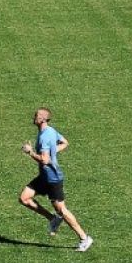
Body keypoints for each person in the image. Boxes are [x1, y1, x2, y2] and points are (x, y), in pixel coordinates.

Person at [18, 107, 93, 252]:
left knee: (62, 210)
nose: (34, 116)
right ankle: (53, 219)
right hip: (43, 177)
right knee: (24, 198)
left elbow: (45, 160)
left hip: (52, 179)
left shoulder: (45, 136)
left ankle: (84, 238)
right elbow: (65, 142)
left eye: (37, 115)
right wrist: (53, 151)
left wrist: (30, 152)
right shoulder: (50, 131)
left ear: (44, 119)